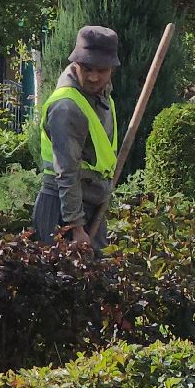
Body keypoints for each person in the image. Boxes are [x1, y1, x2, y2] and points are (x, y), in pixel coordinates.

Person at [34, 26, 120, 250]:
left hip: (89, 206)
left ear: (112, 68)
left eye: (101, 70)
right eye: (87, 68)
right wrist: (76, 228)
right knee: (62, 281)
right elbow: (67, 172)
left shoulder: (102, 97)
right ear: (75, 64)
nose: (93, 77)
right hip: (62, 211)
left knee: (99, 278)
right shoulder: (67, 106)